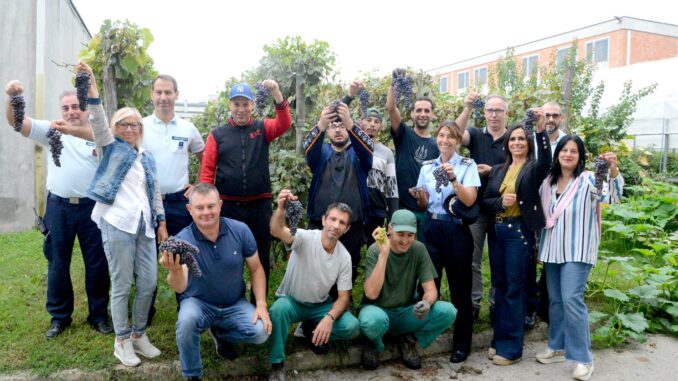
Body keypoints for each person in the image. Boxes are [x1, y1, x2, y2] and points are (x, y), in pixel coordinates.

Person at [4, 79, 112, 338]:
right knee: (57, 264)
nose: (71, 112)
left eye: (76, 106)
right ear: (61, 111)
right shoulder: (52, 130)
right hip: (59, 208)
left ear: (85, 107)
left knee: (97, 264)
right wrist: (12, 98)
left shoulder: (98, 133)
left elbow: (113, 143)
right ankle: (59, 318)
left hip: (93, 209)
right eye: (66, 108)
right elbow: (17, 123)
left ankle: (98, 316)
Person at [79, 62, 167, 367]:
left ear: (140, 129)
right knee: (121, 284)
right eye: (124, 125)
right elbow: (98, 120)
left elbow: (154, 193)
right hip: (116, 224)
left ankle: (139, 334)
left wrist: (161, 223)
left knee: (149, 283)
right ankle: (122, 341)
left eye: (134, 125)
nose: (129, 129)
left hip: (144, 227)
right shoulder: (110, 147)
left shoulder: (147, 158)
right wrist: (91, 85)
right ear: (116, 129)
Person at [159, 183, 271, 381]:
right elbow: (179, 287)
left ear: (220, 205)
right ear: (189, 209)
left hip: (234, 302)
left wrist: (260, 304)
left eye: (211, 206)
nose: (206, 212)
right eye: (200, 207)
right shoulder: (181, 241)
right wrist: (174, 269)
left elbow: (257, 268)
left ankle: (221, 333)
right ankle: (192, 375)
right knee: (186, 322)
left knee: (261, 332)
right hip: (198, 302)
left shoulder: (240, 230)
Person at [535, 137, 623, 381]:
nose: (568, 154)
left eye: (574, 151)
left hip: (578, 249)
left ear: (580, 156)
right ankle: (557, 345)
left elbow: (611, 197)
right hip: (553, 249)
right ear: (557, 154)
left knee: (572, 299)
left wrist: (612, 170)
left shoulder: (588, 180)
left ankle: (584, 359)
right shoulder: (548, 182)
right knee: (555, 300)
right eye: (564, 149)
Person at [199, 80, 291, 300]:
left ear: (252, 106)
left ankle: (258, 305)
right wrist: (206, 204)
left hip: (259, 206)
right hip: (228, 207)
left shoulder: (262, 129)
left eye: (245, 104)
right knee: (228, 256)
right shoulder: (217, 134)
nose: (241, 109)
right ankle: (231, 302)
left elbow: (284, 123)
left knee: (260, 254)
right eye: (236, 104)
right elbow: (207, 171)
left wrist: (277, 93)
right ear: (230, 106)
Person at [268, 190, 360, 381]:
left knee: (352, 326)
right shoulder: (305, 237)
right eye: (333, 219)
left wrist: (329, 318)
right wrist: (281, 209)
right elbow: (277, 231)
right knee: (278, 310)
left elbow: (344, 297)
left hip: (319, 306)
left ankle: (312, 329)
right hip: (292, 301)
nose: (336, 225)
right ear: (324, 219)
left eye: (342, 222)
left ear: (347, 229)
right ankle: (277, 364)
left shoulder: (344, 256)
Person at [481, 115, 550, 366]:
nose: (517, 142)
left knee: (514, 289)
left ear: (529, 143)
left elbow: (546, 161)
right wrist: (501, 202)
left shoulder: (533, 168)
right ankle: (499, 340)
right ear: (507, 143)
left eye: (522, 138)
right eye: (513, 138)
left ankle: (511, 349)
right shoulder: (499, 169)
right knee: (499, 287)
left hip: (519, 232)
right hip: (498, 232)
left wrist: (541, 130)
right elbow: (486, 202)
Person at [412, 121, 481, 363]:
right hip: (431, 228)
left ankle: (462, 344)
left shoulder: (467, 165)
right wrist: (420, 196)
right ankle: (422, 340)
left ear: (458, 140)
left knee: (460, 290)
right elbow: (424, 204)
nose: (445, 140)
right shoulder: (427, 167)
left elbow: (470, 200)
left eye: (451, 136)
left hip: (456, 230)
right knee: (428, 287)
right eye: (441, 135)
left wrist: (454, 179)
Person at [359, 209, 457, 370]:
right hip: (377, 310)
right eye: (401, 234)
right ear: (389, 229)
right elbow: (371, 293)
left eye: (410, 235)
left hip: (404, 313)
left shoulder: (419, 249)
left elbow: (431, 290)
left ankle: (409, 340)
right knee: (372, 321)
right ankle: (374, 342)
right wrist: (384, 254)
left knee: (448, 311)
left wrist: (426, 302)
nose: (405, 240)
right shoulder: (375, 250)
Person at [143, 74, 205, 321]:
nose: (163, 98)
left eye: (168, 92)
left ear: (177, 95)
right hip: (147, 202)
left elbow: (205, 157)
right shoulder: (141, 126)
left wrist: (199, 183)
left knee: (182, 254)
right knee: (147, 256)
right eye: (159, 92)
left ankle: (186, 306)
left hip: (180, 202)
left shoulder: (187, 128)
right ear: (152, 95)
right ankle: (146, 311)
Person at [303, 101, 373, 284]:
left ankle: (344, 300)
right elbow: (307, 149)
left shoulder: (358, 153)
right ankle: (317, 301)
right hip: (320, 221)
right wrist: (320, 124)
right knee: (316, 263)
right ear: (328, 131)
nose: (338, 130)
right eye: (333, 126)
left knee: (349, 263)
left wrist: (351, 124)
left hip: (352, 223)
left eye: (342, 126)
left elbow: (368, 149)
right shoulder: (321, 153)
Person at [456, 94, 509, 320]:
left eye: (498, 110)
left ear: (506, 113)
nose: (494, 114)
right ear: (484, 113)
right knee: (473, 259)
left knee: (499, 259)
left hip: (502, 208)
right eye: (490, 110)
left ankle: (496, 303)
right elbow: (456, 134)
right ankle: (474, 304)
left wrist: (493, 171)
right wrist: (467, 106)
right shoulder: (476, 135)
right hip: (476, 208)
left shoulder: (513, 138)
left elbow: (521, 166)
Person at [386, 76, 439, 239]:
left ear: (432, 115)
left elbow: (438, 179)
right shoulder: (404, 134)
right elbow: (391, 108)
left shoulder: (437, 145)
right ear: (411, 114)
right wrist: (394, 83)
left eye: (427, 111)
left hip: (425, 210)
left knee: (421, 253)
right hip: (401, 208)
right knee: (398, 252)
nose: (423, 114)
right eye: (419, 110)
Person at [359, 107, 400, 244]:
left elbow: (391, 186)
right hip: (355, 209)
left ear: (380, 126)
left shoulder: (386, 152)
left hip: (377, 211)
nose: (372, 124)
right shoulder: (351, 146)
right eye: (368, 120)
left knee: (377, 251)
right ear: (361, 122)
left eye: (376, 121)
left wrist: (393, 218)